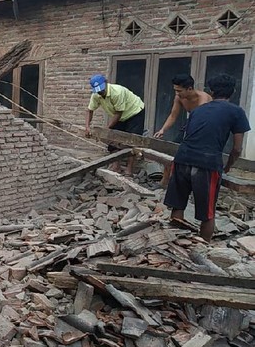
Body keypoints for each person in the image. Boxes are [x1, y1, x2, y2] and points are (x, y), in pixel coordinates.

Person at [164, 74, 250, 242]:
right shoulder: (236, 111)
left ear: (211, 91)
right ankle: (204, 247)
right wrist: (228, 166)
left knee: (178, 203)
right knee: (207, 212)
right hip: (207, 163)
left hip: (182, 158)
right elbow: (237, 148)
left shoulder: (197, 110)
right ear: (233, 91)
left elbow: (190, 135)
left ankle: (175, 242)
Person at [85, 74, 145, 176]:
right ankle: (115, 166)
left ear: (106, 83)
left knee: (132, 141)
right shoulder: (96, 95)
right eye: (98, 91)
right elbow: (90, 110)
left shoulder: (117, 92)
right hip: (119, 115)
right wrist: (87, 127)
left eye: (102, 90)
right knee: (113, 139)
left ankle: (128, 170)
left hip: (134, 112)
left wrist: (106, 129)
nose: (100, 92)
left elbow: (119, 113)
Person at [154, 74, 212, 139]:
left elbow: (201, 118)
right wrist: (162, 130)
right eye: (175, 90)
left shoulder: (202, 98)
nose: (177, 93)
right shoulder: (179, 98)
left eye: (179, 91)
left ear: (189, 89)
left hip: (207, 125)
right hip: (193, 123)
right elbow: (173, 116)